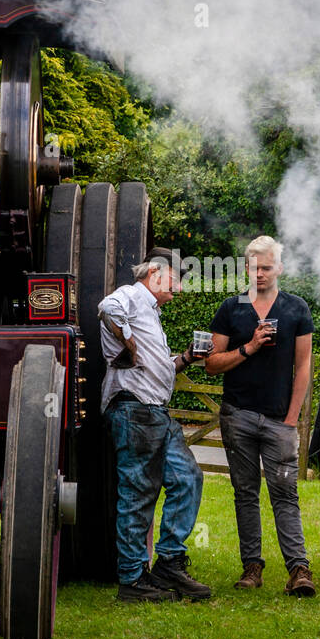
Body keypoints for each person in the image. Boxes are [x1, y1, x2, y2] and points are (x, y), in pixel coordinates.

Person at [98, 246, 211, 602]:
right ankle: (132, 581)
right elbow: (106, 308)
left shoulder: (151, 312)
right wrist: (128, 342)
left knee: (188, 478)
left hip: (155, 412)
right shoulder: (132, 296)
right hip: (134, 411)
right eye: (175, 281)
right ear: (156, 273)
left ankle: (169, 562)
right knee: (137, 495)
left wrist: (188, 358)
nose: (177, 291)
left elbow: (159, 369)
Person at [205, 235, 316, 596]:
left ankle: (299, 570)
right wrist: (249, 348)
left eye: (266, 267)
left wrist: (292, 419)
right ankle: (252, 568)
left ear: (279, 268)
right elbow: (211, 363)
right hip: (237, 415)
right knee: (245, 493)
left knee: (285, 492)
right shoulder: (230, 308)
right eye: (253, 267)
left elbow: (303, 369)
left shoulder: (297, 309)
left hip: (279, 421)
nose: (260, 273)